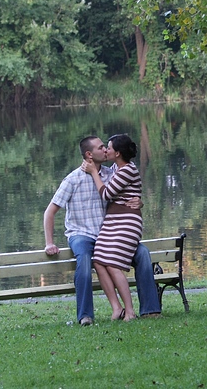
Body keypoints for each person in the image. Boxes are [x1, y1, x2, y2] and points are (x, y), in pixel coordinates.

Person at [43, 135, 161, 326]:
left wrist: (139, 201)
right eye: (101, 148)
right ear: (89, 154)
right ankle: (86, 315)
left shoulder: (110, 173)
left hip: (109, 234)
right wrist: (49, 242)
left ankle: (150, 310)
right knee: (84, 259)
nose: (105, 150)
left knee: (143, 253)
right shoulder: (72, 180)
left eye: (107, 147)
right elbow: (50, 212)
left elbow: (130, 185)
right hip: (81, 234)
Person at [82, 133, 144, 322]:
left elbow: (107, 194)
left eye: (108, 147)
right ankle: (116, 308)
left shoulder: (127, 170)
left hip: (126, 222)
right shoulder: (117, 167)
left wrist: (93, 172)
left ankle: (130, 311)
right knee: (99, 260)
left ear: (117, 153)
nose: (105, 150)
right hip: (112, 221)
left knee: (113, 263)